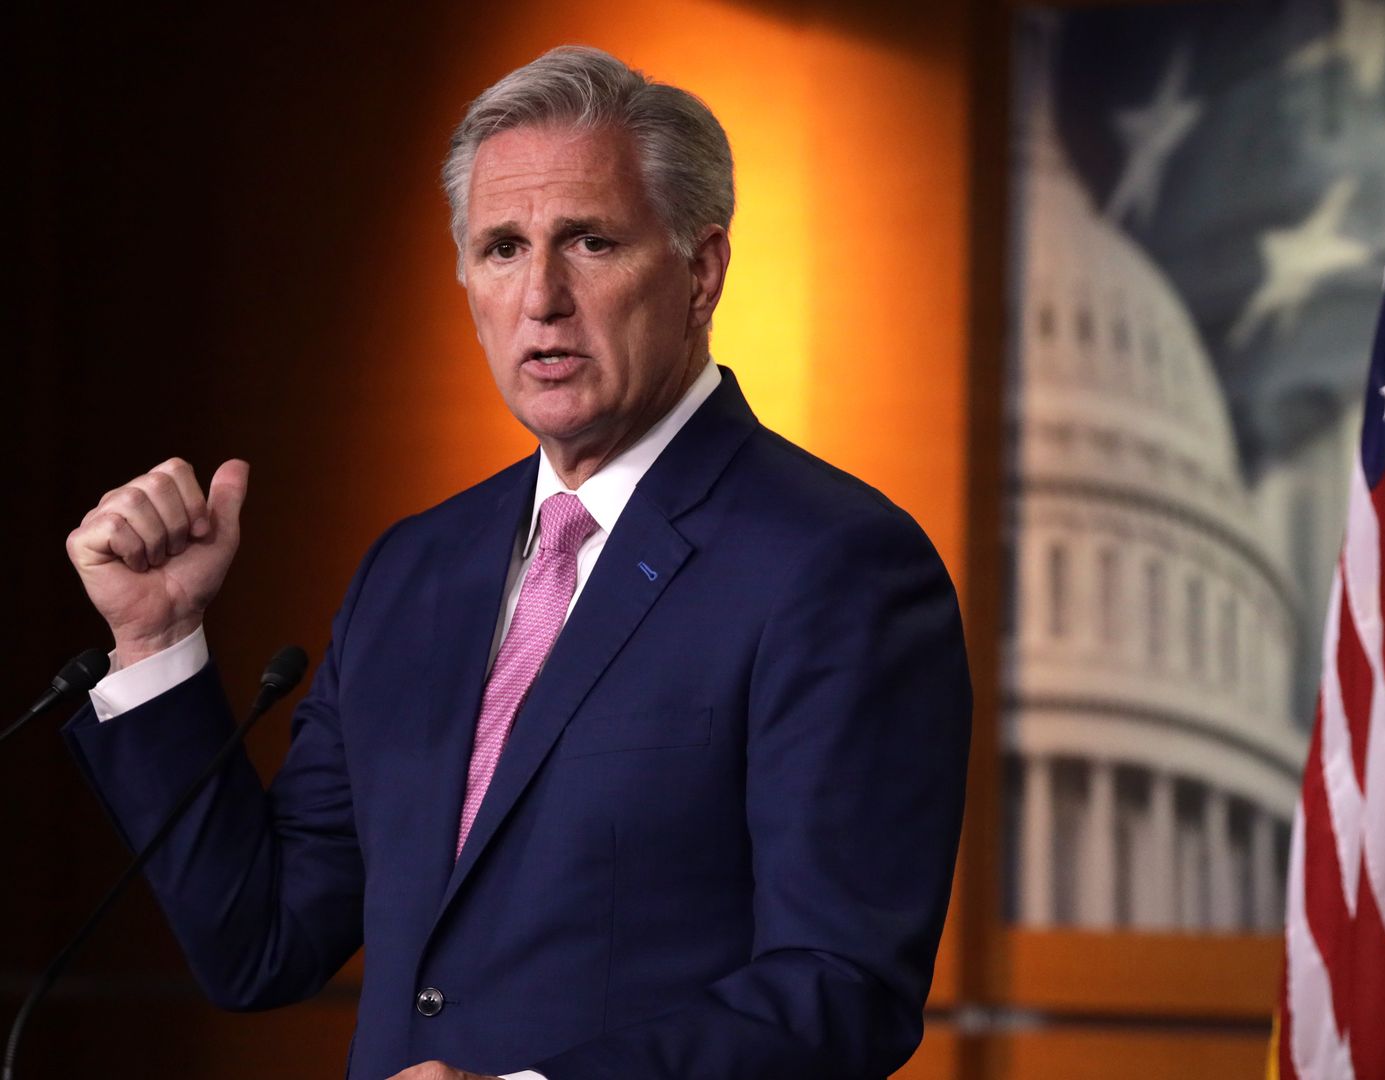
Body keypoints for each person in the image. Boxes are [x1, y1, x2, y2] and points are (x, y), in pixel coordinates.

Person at [60, 45, 971, 1080]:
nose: (541, 296)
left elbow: (841, 985)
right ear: (465, 280)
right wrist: (157, 638)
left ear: (702, 270)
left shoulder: (835, 564)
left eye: (589, 241)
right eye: (501, 248)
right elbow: (261, 944)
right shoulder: (416, 569)